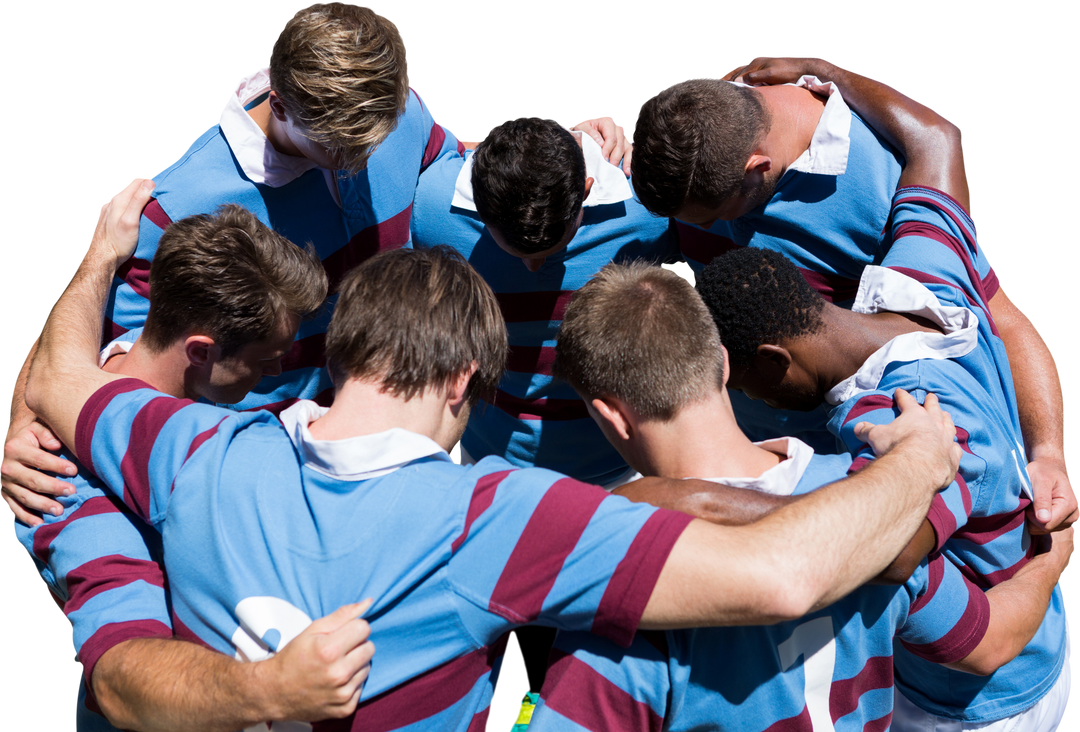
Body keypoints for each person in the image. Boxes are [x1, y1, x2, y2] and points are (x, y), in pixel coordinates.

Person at [25, 176, 961, 732]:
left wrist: (100, 255)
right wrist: (915, 462)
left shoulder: (191, 448)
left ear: (342, 351)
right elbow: (782, 577)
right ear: (465, 382)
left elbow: (60, 385)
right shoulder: (498, 517)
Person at [524, 260, 1074, 732]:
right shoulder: (884, 510)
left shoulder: (624, 589)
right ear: (720, 362)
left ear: (609, 416)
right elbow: (988, 643)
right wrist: (1052, 563)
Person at [630, 55, 1074, 534]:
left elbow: (998, 318)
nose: (699, 232)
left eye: (707, 218)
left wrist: (1048, 455)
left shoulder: (882, 184)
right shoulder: (699, 128)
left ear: (755, 169)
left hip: (854, 486)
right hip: (735, 462)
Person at [10, 194, 381, 731]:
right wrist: (276, 690)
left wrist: (99, 256)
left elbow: (58, 357)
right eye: (265, 361)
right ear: (202, 352)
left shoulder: (120, 354)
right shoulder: (72, 485)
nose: (278, 370)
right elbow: (120, 670)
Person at [697, 244, 1072, 723]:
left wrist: (703, 500)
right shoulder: (927, 277)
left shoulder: (902, 415)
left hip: (976, 701)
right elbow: (936, 190)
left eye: (746, 387)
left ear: (773, 361)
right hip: (1041, 640)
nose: (762, 403)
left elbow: (888, 552)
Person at [411, 114, 678, 486]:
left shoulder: (649, 211)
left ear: (585, 190)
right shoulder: (429, 208)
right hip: (488, 466)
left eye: (554, 246)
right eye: (515, 249)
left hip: (617, 471)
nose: (534, 268)